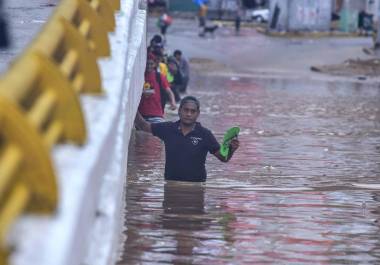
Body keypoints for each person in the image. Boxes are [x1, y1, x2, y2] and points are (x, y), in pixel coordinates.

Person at [134, 96, 240, 182]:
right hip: (171, 184)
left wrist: (231, 149)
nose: (189, 114)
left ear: (197, 114)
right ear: (179, 111)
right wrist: (131, 104)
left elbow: (223, 158)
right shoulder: (168, 129)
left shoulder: (205, 134)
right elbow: (143, 126)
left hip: (196, 186)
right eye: (186, 110)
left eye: (192, 111)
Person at [138, 54, 176, 123]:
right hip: (141, 115)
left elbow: (169, 92)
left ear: (155, 64)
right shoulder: (139, 76)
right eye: (147, 64)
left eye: (151, 64)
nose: (149, 66)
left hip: (156, 114)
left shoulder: (159, 77)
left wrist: (173, 102)